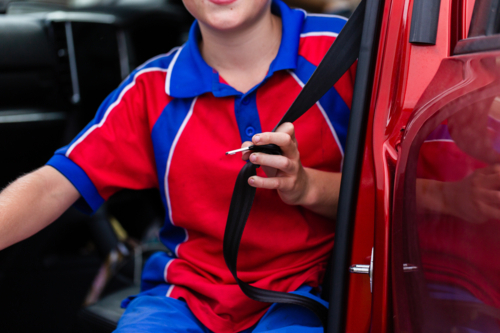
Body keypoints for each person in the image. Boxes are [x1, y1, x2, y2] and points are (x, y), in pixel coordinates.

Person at [0, 0, 356, 331]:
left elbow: (407, 192)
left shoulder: (344, 49)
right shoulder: (151, 89)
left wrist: (307, 186)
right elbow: (52, 185)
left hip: (310, 292)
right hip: (188, 298)